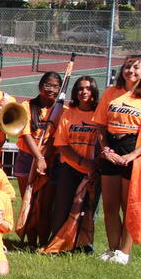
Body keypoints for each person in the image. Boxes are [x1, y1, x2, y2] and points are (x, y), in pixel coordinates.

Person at [93, 54, 141, 265]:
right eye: (127, 67)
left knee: (130, 204)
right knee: (110, 205)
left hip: (134, 150)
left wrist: (132, 155)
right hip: (111, 150)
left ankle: (124, 252)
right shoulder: (111, 93)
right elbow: (100, 125)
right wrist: (105, 149)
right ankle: (112, 247)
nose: (130, 72)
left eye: (135, 68)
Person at [47, 76, 101, 250]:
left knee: (88, 209)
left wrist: (93, 165)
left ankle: (84, 244)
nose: (83, 92)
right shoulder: (68, 113)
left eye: (87, 88)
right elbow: (61, 144)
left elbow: (104, 141)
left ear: (93, 91)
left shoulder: (99, 113)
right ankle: (58, 243)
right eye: (80, 88)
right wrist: (82, 161)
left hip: (93, 170)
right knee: (62, 207)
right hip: (69, 167)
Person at [14, 71, 63, 248]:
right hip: (27, 158)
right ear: (41, 86)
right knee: (29, 201)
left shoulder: (60, 109)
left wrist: (45, 158)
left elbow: (57, 138)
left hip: (51, 159)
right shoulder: (27, 106)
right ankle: (30, 241)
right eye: (47, 85)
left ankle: (43, 242)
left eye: (55, 86)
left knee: (44, 204)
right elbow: (25, 133)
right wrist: (38, 157)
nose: (51, 89)